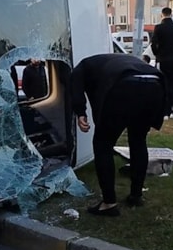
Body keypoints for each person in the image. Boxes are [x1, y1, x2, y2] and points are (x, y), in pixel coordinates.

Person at [71, 53, 166, 217]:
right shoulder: (107, 61)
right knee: (138, 140)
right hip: (155, 83)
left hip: (124, 85)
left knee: (103, 145)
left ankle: (108, 203)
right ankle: (136, 196)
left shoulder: (80, 69)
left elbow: (76, 91)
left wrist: (80, 113)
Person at [151, 7, 173, 119]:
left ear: (162, 15)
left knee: (164, 85)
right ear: (171, 14)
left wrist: (157, 53)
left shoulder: (158, 28)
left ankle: (166, 112)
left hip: (163, 60)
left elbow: (153, 44)